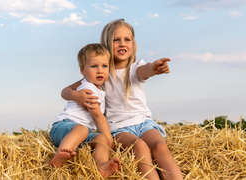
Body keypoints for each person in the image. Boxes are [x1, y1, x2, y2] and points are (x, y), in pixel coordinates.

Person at [61, 19, 183, 180]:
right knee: (140, 148)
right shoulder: (101, 72)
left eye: (127, 39)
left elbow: (144, 71)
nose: (122, 44)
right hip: (118, 128)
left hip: (143, 123)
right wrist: (77, 96)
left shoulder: (136, 68)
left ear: (133, 43)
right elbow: (65, 91)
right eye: (116, 40)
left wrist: (154, 68)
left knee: (159, 146)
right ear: (107, 43)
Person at [49, 43, 120, 178]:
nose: (100, 70)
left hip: (82, 134)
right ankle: (60, 155)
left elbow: (65, 91)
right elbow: (98, 117)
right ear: (83, 70)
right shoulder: (88, 88)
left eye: (104, 66)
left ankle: (102, 166)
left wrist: (105, 139)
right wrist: (110, 141)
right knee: (85, 130)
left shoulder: (96, 87)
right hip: (63, 127)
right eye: (94, 66)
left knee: (100, 139)